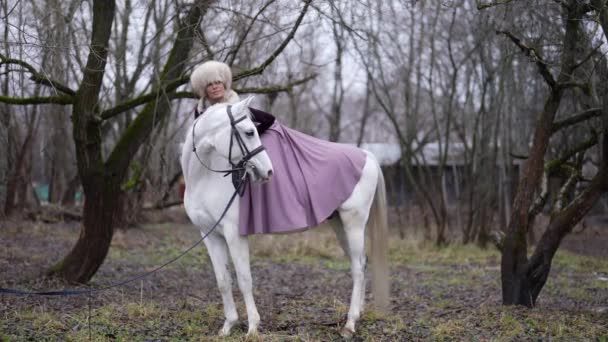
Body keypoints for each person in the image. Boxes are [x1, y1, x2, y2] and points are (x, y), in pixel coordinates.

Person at [189, 61, 367, 235]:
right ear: (203, 89)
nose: (215, 87)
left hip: (258, 141)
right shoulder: (201, 111)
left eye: (218, 82)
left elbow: (269, 119)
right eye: (209, 84)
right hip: (222, 157)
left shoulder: (235, 107)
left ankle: (280, 208)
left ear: (225, 83)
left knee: (268, 168)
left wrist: (251, 137)